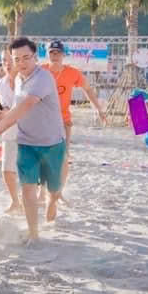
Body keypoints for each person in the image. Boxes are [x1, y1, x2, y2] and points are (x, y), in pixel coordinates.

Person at [0, 37, 67, 243]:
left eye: (26, 57)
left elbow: (26, 105)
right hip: (26, 142)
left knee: (53, 189)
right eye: (17, 59)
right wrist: (2, 116)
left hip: (51, 143)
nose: (21, 63)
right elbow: (17, 108)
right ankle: (33, 233)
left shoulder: (43, 78)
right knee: (27, 188)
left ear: (35, 57)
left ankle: (53, 201)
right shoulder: (17, 79)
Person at [43, 40, 106, 198]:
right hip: (43, 120)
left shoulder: (72, 72)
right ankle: (41, 191)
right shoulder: (40, 71)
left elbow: (88, 90)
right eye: (52, 52)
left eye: (58, 52)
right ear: (47, 54)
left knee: (64, 156)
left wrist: (98, 108)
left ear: (63, 54)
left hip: (64, 120)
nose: (55, 55)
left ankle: (59, 192)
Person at [0, 47, 22, 214]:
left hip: (30, 131)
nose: (7, 64)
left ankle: (36, 197)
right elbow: (4, 109)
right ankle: (15, 201)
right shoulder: (1, 83)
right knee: (6, 170)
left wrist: (8, 112)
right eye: (3, 60)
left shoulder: (27, 80)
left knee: (29, 170)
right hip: (9, 130)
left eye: (9, 60)